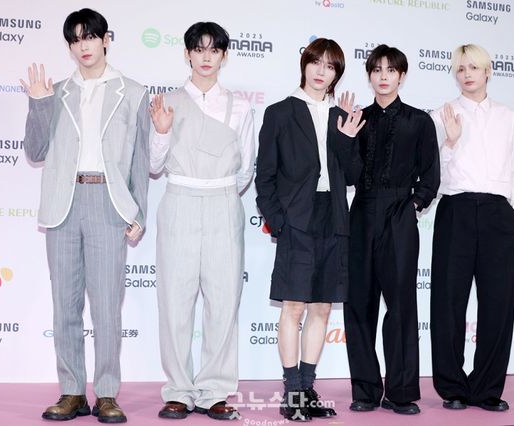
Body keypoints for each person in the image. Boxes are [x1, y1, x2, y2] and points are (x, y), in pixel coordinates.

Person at [20, 8, 149, 424]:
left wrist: (138, 212)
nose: (83, 46)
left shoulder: (133, 92)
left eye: (90, 37)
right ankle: (72, 391)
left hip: (108, 202)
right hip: (64, 204)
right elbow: (35, 151)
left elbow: (141, 161)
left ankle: (107, 394)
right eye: (75, 40)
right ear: (69, 47)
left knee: (107, 306)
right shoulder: (55, 92)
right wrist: (39, 103)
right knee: (65, 305)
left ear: (105, 39)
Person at [149, 22, 255, 421]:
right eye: (199, 49)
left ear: (224, 56)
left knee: (223, 301)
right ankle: (178, 390)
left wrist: (219, 189)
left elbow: (245, 169)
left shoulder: (240, 107)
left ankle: (215, 391)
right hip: (179, 200)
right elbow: (153, 164)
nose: (206, 57)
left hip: (223, 203)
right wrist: (161, 133)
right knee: (175, 301)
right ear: (187, 54)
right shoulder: (168, 102)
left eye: (214, 50)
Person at [255, 38, 365, 422]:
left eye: (330, 66)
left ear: (337, 74)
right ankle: (292, 391)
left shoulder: (342, 116)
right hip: (296, 220)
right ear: (304, 65)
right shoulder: (280, 112)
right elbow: (264, 176)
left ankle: (307, 387)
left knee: (321, 307)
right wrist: (279, 221)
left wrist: (348, 139)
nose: (321, 71)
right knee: (293, 306)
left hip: (333, 218)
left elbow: (354, 176)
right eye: (316, 62)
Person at [429, 44, 514, 412]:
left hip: (498, 214)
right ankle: (452, 387)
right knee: (447, 302)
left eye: (473, 67)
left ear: (488, 71)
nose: (467, 74)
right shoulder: (441, 115)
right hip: (455, 208)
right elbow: (430, 170)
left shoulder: (509, 117)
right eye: (460, 68)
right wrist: (450, 142)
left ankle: (488, 388)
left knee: (497, 304)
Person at [343, 45, 440, 416]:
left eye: (391, 70)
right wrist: (347, 138)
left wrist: (413, 206)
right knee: (359, 304)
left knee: (400, 306)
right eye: (377, 70)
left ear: (402, 76)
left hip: (400, 215)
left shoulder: (419, 121)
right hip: (361, 214)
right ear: (369, 76)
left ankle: (400, 392)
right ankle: (365, 390)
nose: (383, 76)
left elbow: (430, 174)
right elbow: (349, 175)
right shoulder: (358, 119)